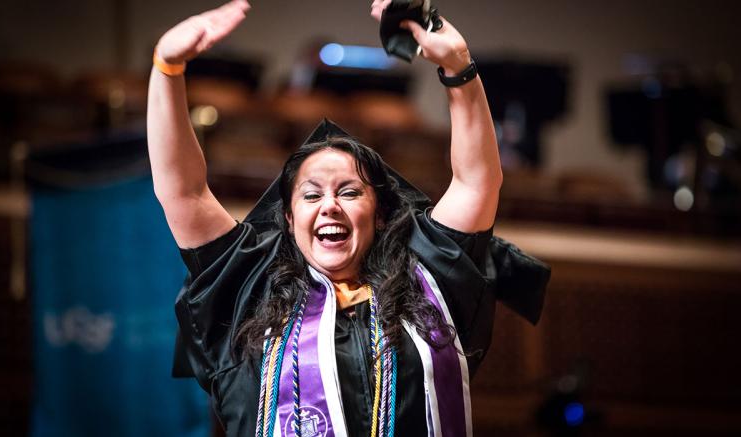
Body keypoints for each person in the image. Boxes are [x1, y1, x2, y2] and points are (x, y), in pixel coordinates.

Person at [147, 1, 550, 436]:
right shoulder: (247, 287)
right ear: (287, 217)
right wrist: (167, 68)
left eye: (349, 192)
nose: (329, 205)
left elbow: (476, 182)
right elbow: (184, 193)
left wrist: (459, 67)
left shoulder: (429, 279)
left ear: (379, 215)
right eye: (312, 194)